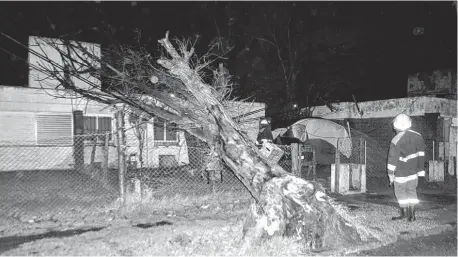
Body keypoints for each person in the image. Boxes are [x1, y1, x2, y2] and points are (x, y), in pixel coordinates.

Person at [387, 113, 426, 222]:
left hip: (400, 174)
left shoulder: (396, 140)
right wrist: (421, 173)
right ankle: (412, 216)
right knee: (412, 192)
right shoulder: (418, 136)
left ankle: (404, 214)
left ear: (396, 126)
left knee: (400, 193)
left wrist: (390, 175)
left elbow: (392, 160)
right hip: (413, 173)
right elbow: (421, 156)